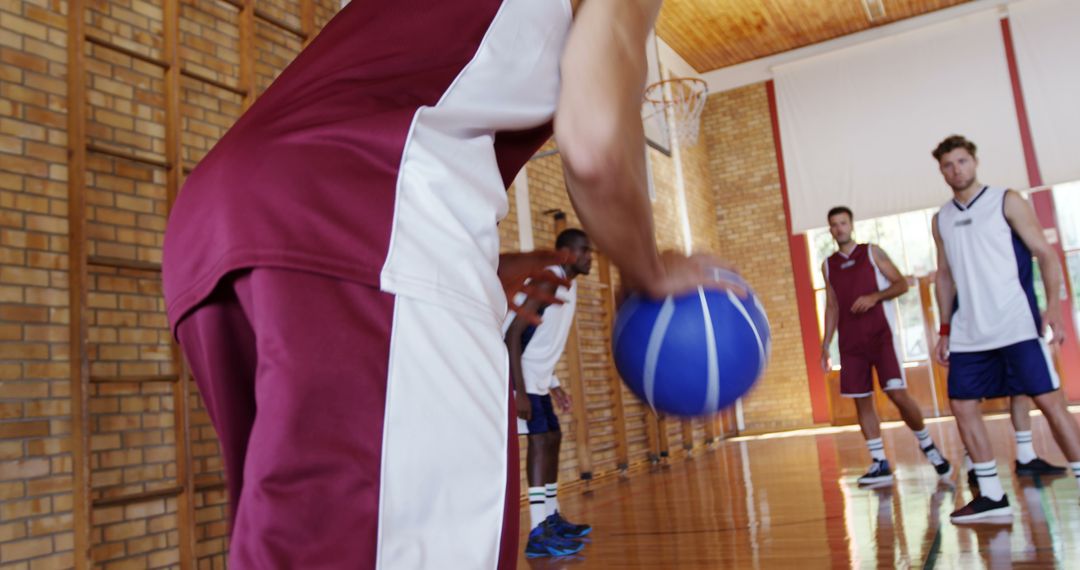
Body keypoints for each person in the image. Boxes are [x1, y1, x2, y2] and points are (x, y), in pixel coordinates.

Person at [161, 0, 742, 568]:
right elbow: (595, 142)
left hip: (216, 227)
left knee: (308, 543)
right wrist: (650, 271)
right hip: (362, 212)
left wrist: (479, 265)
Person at [930, 134, 1080, 523]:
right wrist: (944, 328)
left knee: (1050, 403)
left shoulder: (1006, 200)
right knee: (962, 405)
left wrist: (1055, 311)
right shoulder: (941, 218)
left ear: (974, 162)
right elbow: (944, 276)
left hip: (1015, 324)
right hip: (968, 331)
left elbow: (1045, 254)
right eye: (947, 164)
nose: (955, 170)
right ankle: (992, 496)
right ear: (941, 170)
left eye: (961, 161)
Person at [820, 207, 952, 485]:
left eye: (843, 223)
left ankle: (928, 446)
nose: (839, 228)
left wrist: (874, 297)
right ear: (830, 230)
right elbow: (831, 306)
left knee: (897, 394)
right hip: (850, 344)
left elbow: (902, 284)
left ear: (851, 225)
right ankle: (879, 462)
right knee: (861, 400)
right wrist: (825, 345)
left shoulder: (872, 252)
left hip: (880, 337)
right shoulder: (828, 265)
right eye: (834, 225)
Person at [504, 229, 593, 558]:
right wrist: (519, 391)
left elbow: (539, 342)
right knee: (540, 442)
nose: (589, 257)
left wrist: (554, 384)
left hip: (538, 379)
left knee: (552, 437)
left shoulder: (569, 287)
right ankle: (539, 530)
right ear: (565, 253)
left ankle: (551, 518)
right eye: (584, 251)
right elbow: (513, 334)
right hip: (522, 378)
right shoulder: (548, 280)